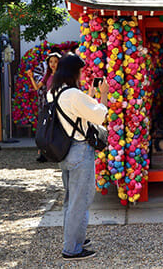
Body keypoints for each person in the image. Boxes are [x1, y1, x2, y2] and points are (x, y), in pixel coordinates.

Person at [48, 54, 109, 261]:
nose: (83, 74)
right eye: (81, 71)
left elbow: (74, 113)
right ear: (74, 71)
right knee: (80, 200)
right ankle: (72, 249)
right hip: (80, 150)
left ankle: (75, 239)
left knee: (70, 199)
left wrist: (88, 97)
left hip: (64, 150)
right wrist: (103, 96)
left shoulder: (54, 92)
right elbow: (100, 116)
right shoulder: (74, 94)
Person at [27, 52, 61, 162]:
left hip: (60, 104)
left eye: (55, 61)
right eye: (51, 62)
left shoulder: (62, 75)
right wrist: (31, 77)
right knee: (47, 129)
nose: (53, 64)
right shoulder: (47, 76)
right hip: (49, 105)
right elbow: (37, 87)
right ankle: (45, 153)